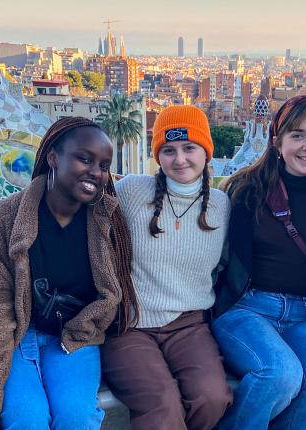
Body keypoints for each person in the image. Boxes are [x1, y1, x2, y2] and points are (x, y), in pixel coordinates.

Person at [0, 117, 139, 430]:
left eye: (103, 165)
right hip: (16, 335)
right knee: (26, 418)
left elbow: (109, 295)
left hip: (75, 338)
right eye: (84, 159)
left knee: (77, 418)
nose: (95, 172)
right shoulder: (4, 218)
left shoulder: (106, 224)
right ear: (53, 157)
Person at [212, 95, 306, 430]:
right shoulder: (248, 189)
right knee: (281, 374)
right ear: (277, 142)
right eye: (296, 135)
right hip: (247, 307)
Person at [102, 105, 232, 430]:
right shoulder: (132, 191)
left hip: (189, 327)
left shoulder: (221, 205)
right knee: (162, 404)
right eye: (168, 150)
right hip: (130, 325)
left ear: (206, 151)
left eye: (190, 148)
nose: (180, 159)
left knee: (213, 398)